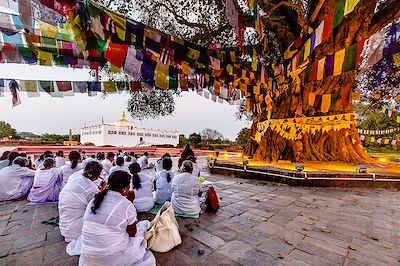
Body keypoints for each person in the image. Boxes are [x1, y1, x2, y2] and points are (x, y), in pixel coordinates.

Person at [79, 171, 156, 266]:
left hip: (87, 255)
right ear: (125, 188)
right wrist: (130, 202)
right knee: (141, 236)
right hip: (107, 258)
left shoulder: (94, 201)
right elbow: (132, 233)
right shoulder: (126, 205)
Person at [59, 161, 106, 253]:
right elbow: (98, 207)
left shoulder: (76, 178)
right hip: (75, 229)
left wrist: (98, 190)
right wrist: (102, 190)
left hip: (65, 224)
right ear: (97, 176)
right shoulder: (91, 189)